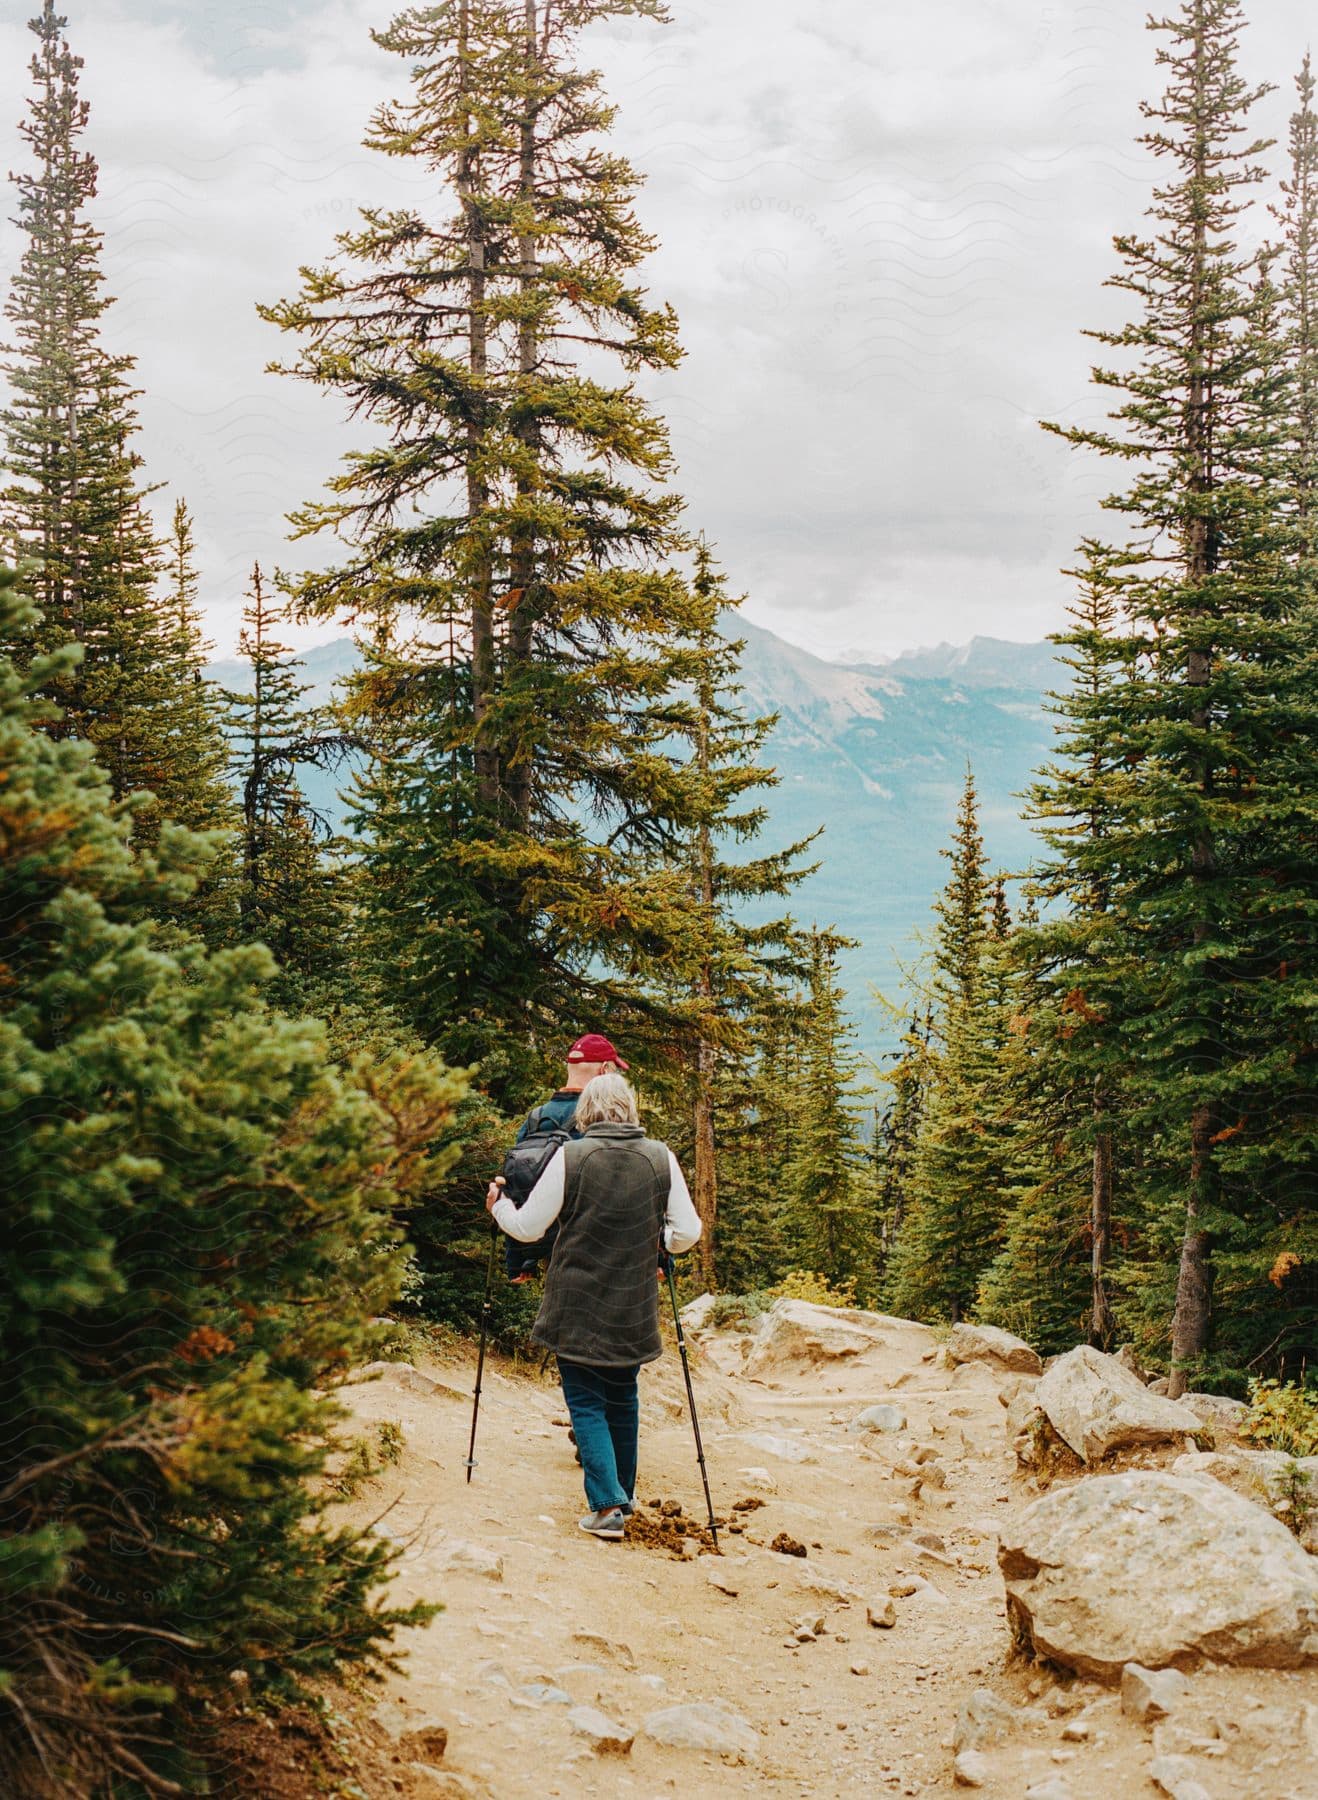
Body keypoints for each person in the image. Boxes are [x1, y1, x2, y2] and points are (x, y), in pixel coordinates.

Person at [486, 1072, 701, 1540]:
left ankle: (606, 1510)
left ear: (585, 1113)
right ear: (630, 1109)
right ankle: (622, 1494)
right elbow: (687, 1234)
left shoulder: (572, 1156)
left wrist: (498, 1208)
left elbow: (527, 1228)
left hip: (577, 1299)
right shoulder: (662, 1158)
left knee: (585, 1399)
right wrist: (654, 1239)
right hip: (634, 1302)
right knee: (623, 1396)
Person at [503, 1032, 627, 1283]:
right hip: (598, 1248)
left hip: (550, 1250)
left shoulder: (535, 1119)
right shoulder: (603, 1119)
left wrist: (518, 1261)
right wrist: (660, 1257)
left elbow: (514, 1185)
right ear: (604, 1071)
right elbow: (631, 1183)